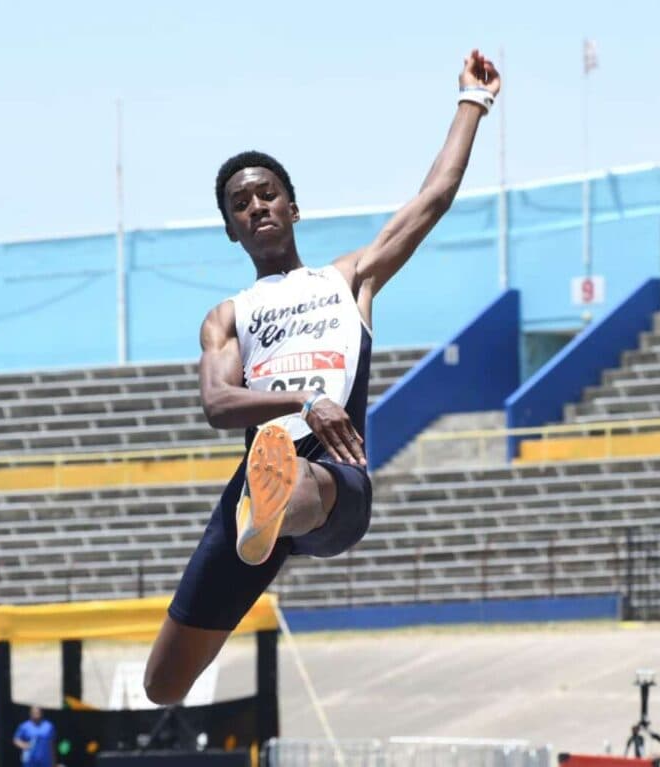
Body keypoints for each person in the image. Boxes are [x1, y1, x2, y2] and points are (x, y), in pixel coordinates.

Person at [144, 48, 501, 704]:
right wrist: (305, 400)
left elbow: (434, 197)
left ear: (293, 207)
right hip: (257, 477)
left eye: (267, 195)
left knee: (300, 479)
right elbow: (218, 402)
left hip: (338, 480)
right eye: (240, 204)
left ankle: (275, 509)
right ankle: (263, 513)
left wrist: (472, 101)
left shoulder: (350, 279)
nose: (257, 206)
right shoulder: (228, 316)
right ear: (230, 230)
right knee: (163, 684)